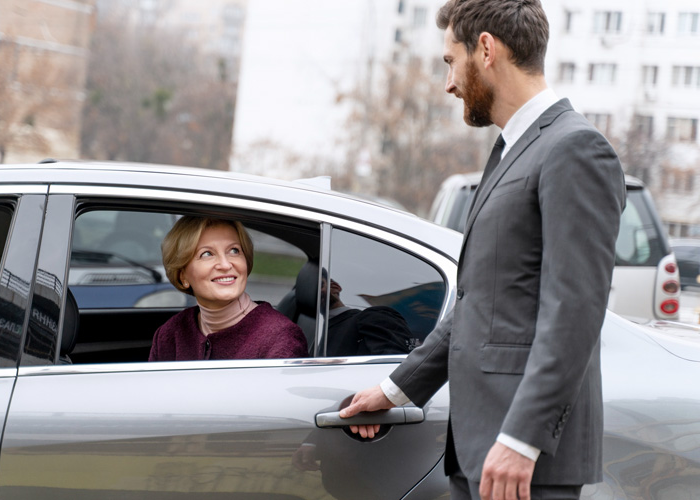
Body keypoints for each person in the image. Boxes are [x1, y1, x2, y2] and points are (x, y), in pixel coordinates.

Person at [339, 1, 626, 499]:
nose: (448, 83)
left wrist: (522, 439)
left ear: (486, 50)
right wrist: (396, 389)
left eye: (450, 61)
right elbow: (483, 302)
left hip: (526, 463)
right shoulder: (511, 149)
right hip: (480, 451)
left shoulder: (574, 148)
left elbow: (575, 311)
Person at [149, 216, 308, 361]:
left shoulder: (279, 338)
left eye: (234, 251)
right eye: (207, 254)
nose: (225, 265)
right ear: (183, 276)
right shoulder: (170, 334)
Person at [324, 278, 414, 356]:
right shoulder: (313, 334)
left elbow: (394, 367)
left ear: (334, 287)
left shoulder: (374, 317)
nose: (310, 290)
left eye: (312, 284)